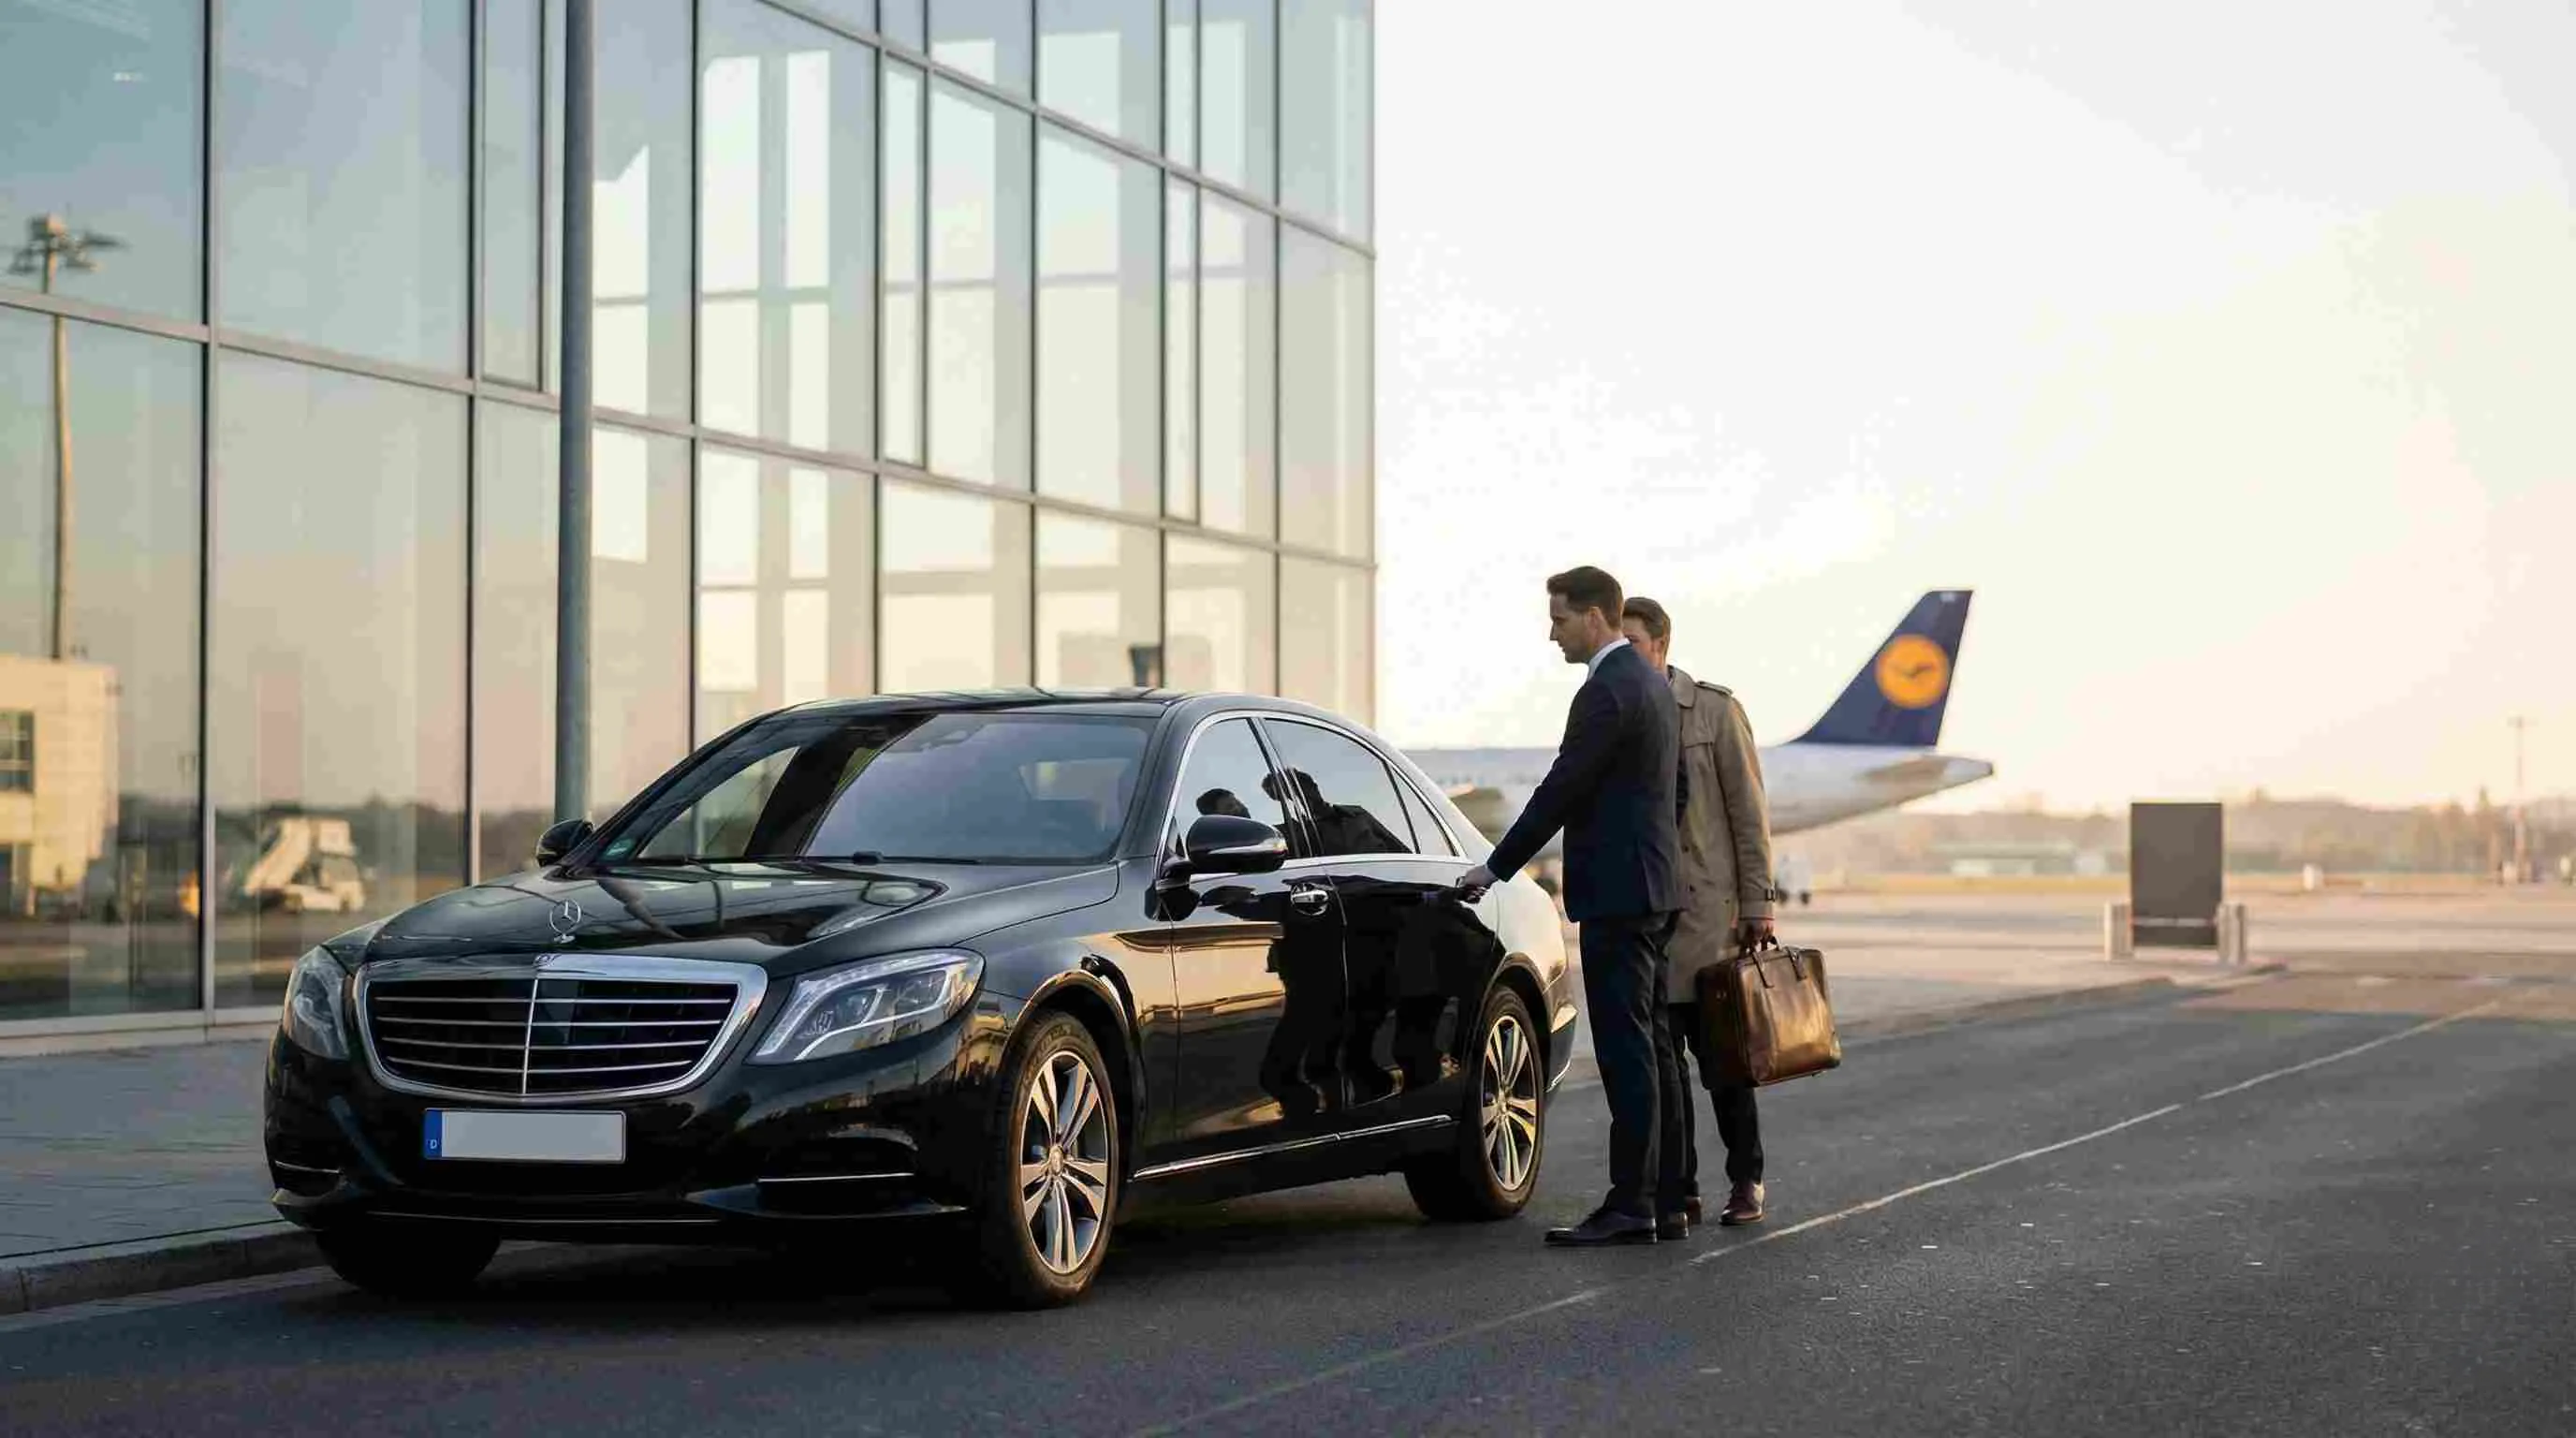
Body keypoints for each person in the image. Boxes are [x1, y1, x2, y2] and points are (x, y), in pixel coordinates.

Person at [1456, 566, 1686, 1247]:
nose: (1551, 633)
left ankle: (1631, 1204)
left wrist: (1495, 868)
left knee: (1625, 1052)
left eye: (1558, 620)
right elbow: (1675, 795)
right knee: (1650, 1048)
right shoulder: (1651, 684)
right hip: (1652, 888)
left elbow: (1562, 790)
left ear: (1593, 617)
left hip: (1621, 894)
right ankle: (1665, 1199)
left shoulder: (1608, 689)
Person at [1621, 597, 1778, 1229]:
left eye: (1631, 641)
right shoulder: (1621, 710)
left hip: (1710, 917)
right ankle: (1679, 1188)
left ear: (1661, 642)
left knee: (1724, 1063)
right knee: (1665, 1069)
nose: (1622, 653)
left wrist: (1759, 903)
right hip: (1648, 918)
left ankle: (1746, 1179)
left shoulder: (1713, 709)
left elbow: (1748, 812)